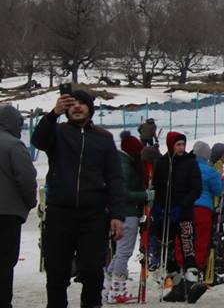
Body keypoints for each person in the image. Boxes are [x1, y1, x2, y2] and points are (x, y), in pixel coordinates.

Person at [31, 86, 125, 308]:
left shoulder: (104, 138)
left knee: (93, 270)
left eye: (81, 103)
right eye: (71, 104)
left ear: (90, 108)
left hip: (93, 215)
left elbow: (115, 178)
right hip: (59, 212)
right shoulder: (57, 132)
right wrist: (53, 114)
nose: (77, 108)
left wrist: (117, 214)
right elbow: (38, 141)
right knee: (56, 272)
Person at [152, 130, 205, 302]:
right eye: (178, 145)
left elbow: (196, 189)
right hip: (165, 214)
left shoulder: (190, 163)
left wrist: (181, 205)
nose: (181, 148)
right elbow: (157, 187)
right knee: (168, 252)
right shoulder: (161, 163)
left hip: (184, 213)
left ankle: (192, 286)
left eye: (183, 144)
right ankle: (176, 285)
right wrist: (157, 207)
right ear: (170, 146)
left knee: (188, 248)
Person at [103, 133, 151, 304]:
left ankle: (108, 288)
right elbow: (122, 193)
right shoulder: (124, 166)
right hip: (127, 213)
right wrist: (144, 195)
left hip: (124, 212)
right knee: (124, 252)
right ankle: (117, 290)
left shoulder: (121, 163)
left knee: (118, 253)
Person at [0, 105, 37, 308]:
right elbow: (26, 178)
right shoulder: (14, 145)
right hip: (7, 215)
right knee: (5, 264)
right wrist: (30, 202)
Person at [190, 141, 223, 276]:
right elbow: (218, 190)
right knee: (201, 240)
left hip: (186, 207)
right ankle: (197, 269)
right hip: (203, 208)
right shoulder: (210, 171)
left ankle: (184, 267)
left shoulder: (187, 167)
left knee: (186, 239)